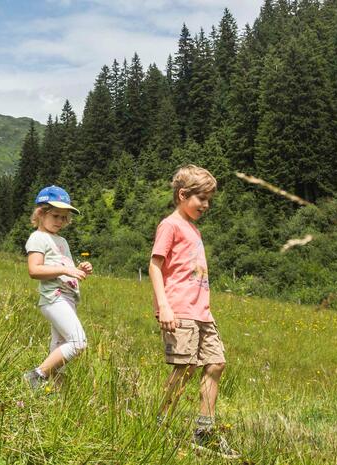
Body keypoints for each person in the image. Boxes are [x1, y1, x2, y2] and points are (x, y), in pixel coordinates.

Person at [150, 165, 238, 458]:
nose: (206, 205)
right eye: (202, 199)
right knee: (185, 368)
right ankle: (159, 423)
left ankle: (204, 432)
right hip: (180, 309)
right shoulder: (170, 225)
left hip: (203, 312)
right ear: (182, 194)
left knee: (216, 364)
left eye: (209, 200)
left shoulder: (193, 229)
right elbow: (155, 265)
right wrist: (163, 306)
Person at [20, 186, 91, 391]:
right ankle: (37, 375)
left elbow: (63, 268)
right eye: (56, 215)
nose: (60, 221)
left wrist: (78, 269)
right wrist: (67, 271)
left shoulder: (61, 240)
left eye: (64, 217)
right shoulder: (37, 238)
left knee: (59, 347)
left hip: (67, 298)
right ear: (41, 213)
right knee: (78, 342)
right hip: (54, 297)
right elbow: (34, 270)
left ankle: (55, 395)